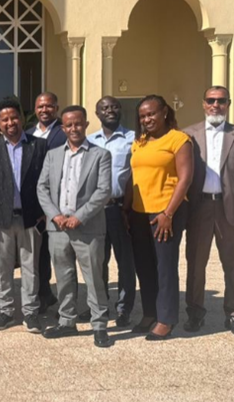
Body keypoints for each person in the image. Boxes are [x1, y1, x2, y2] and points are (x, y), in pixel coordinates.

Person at [36, 106, 114, 347]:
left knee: (94, 278)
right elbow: (42, 188)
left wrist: (79, 216)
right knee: (64, 277)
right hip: (58, 228)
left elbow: (103, 191)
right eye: (69, 125)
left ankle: (99, 325)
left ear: (86, 124)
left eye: (78, 124)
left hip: (87, 227)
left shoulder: (100, 155)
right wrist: (54, 215)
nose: (74, 129)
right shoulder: (53, 155)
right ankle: (67, 321)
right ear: (63, 128)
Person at [183, 86, 234, 338]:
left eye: (221, 101)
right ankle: (194, 313)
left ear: (228, 103)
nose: (216, 105)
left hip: (231, 210)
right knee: (195, 263)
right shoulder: (188, 135)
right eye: (211, 100)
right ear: (203, 104)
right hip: (199, 208)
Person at [0, 99, 47, 333]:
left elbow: (47, 182)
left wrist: (45, 213)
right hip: (0, 219)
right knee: (3, 268)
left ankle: (30, 312)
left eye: (13, 117)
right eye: (4, 119)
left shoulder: (38, 146)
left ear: (22, 118)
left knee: (31, 267)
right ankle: (5, 311)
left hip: (31, 218)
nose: (10, 123)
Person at [126, 94, 193, 341]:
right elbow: (133, 177)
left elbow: (185, 179)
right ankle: (149, 313)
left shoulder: (179, 139)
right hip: (139, 212)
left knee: (165, 267)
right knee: (144, 267)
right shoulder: (139, 142)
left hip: (166, 212)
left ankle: (166, 319)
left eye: (151, 113)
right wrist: (126, 209)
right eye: (143, 116)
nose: (147, 119)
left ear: (165, 112)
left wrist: (168, 213)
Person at [87, 96, 137, 327]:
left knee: (126, 261)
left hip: (121, 209)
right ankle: (99, 306)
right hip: (96, 211)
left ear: (120, 110)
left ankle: (124, 308)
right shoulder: (89, 141)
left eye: (114, 107)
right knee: (98, 261)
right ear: (97, 114)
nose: (110, 111)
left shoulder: (133, 139)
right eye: (104, 108)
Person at [25, 92, 66, 313]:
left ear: (56, 108)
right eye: (40, 106)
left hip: (59, 203)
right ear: (35, 108)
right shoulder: (28, 133)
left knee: (58, 254)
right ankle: (43, 295)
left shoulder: (64, 132)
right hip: (35, 203)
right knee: (38, 254)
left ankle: (62, 300)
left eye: (49, 106)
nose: (44, 110)